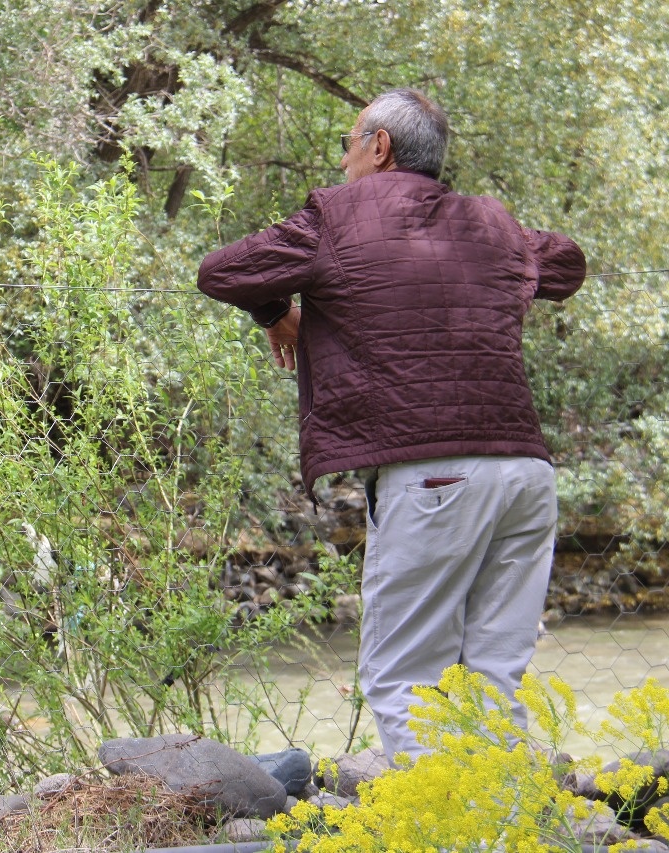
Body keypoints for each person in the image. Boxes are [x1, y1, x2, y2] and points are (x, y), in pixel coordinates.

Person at [197, 88, 586, 762]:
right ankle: (506, 827)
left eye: (348, 145)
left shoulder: (336, 217)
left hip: (432, 475)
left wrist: (275, 312)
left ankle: (442, 831)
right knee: (492, 680)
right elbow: (567, 263)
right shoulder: (491, 223)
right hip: (525, 474)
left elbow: (222, 270)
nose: (343, 162)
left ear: (379, 147)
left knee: (405, 678)